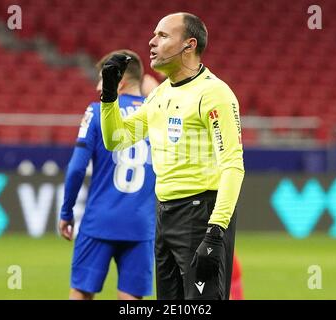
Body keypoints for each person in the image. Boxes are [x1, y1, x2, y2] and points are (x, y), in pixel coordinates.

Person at [99, 13, 245, 300]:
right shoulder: (158, 95)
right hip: (164, 215)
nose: (152, 42)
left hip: (202, 214)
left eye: (163, 36)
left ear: (189, 45)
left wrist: (216, 232)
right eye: (154, 35)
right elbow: (117, 139)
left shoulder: (213, 93)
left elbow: (233, 164)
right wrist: (108, 97)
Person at [58, 50, 156, 300]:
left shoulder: (96, 111)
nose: (98, 86)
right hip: (141, 224)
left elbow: (77, 168)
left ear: (119, 81)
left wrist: (66, 212)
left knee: (81, 291)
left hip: (100, 220)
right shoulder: (157, 114)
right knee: (131, 300)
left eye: (103, 79)